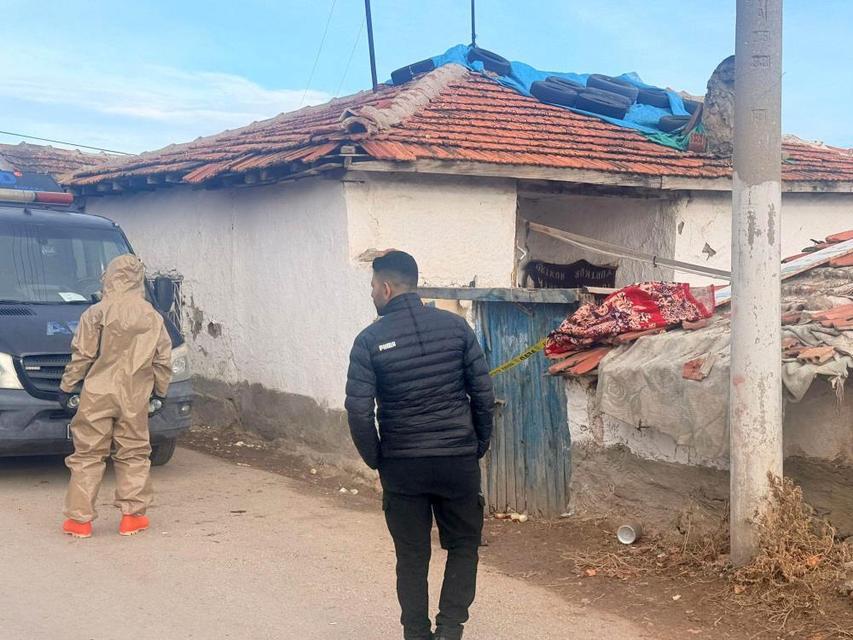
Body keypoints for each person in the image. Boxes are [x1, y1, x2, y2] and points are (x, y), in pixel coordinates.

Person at [345, 251, 495, 640]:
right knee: (464, 545)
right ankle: (449, 631)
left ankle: (416, 633)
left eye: (373, 287)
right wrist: (476, 444)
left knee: (411, 556)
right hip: (456, 460)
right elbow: (482, 394)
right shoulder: (457, 329)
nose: (372, 294)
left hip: (402, 464)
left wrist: (378, 459)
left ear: (387, 288)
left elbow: (359, 412)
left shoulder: (368, 341)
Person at [59, 254, 173, 538]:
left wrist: (67, 387)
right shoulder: (152, 316)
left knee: (87, 455)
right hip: (135, 395)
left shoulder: (96, 313)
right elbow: (162, 359)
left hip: (97, 393)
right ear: (138, 280)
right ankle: (132, 517)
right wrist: (160, 391)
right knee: (134, 453)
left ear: (108, 278)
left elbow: (82, 355)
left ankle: (79, 521)